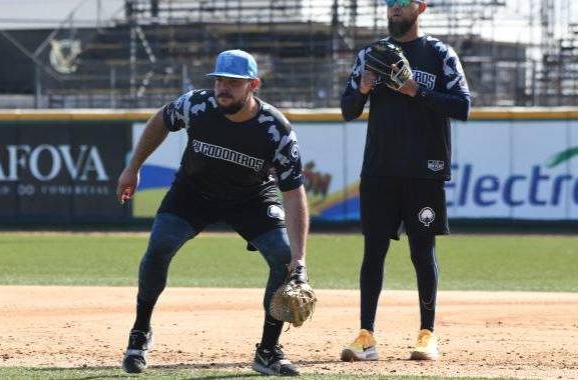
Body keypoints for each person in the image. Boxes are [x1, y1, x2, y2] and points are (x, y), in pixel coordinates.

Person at [116, 49, 310, 376]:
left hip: (252, 198)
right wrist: (133, 168)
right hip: (194, 192)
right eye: (220, 79)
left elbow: (294, 195)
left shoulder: (275, 129)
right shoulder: (197, 105)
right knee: (160, 246)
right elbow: (161, 120)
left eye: (233, 82)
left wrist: (299, 261)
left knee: (283, 256)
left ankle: (268, 351)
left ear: (253, 85)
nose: (223, 87)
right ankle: (140, 333)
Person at [339, 0, 471, 362]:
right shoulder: (372, 54)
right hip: (380, 169)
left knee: (421, 251)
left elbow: (462, 106)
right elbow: (348, 110)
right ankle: (366, 336)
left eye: (402, 2)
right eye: (389, 3)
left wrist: (418, 91)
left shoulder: (440, 53)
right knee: (374, 251)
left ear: (420, 7)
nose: (394, 8)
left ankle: (426, 334)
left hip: (424, 171)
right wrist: (363, 89)